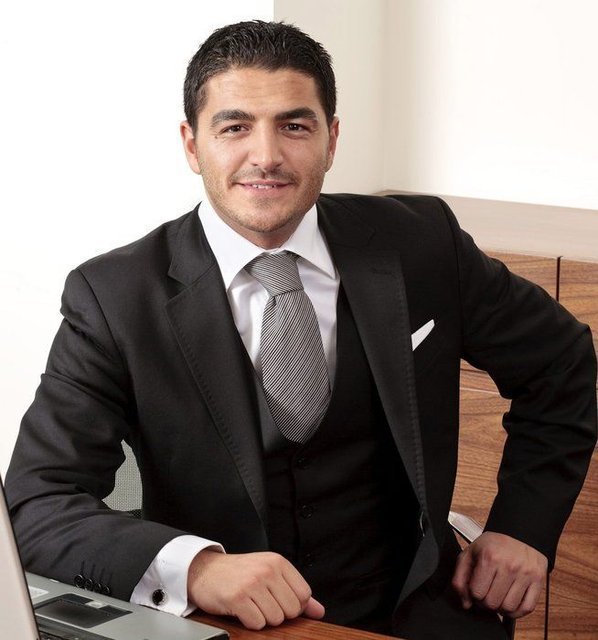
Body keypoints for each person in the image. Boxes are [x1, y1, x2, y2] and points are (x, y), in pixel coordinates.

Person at [6, 20, 597, 640]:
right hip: (223, 625)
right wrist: (198, 570)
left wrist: (523, 528)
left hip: (416, 611)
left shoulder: (420, 242)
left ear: (331, 140)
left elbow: (559, 361)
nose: (266, 156)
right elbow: (37, 502)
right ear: (192, 145)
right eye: (234, 127)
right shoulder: (115, 297)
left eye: (294, 126)